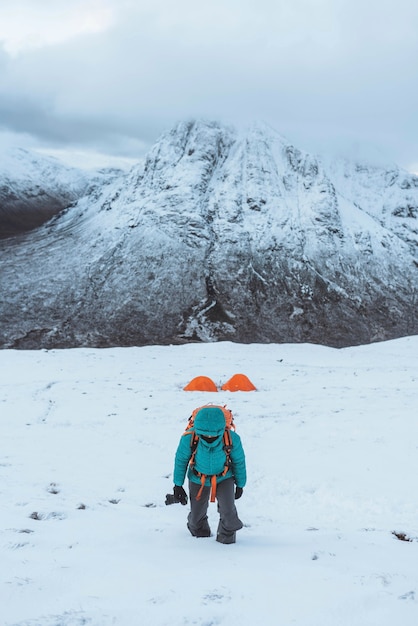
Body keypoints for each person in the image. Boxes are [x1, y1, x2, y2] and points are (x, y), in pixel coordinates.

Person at [172, 406, 247, 544]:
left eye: (214, 435)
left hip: (224, 477)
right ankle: (200, 537)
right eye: (205, 435)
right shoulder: (189, 437)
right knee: (196, 517)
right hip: (197, 478)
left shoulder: (232, 438)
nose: (209, 437)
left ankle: (226, 541)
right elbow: (181, 460)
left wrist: (240, 484)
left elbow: (239, 461)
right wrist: (178, 485)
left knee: (228, 513)